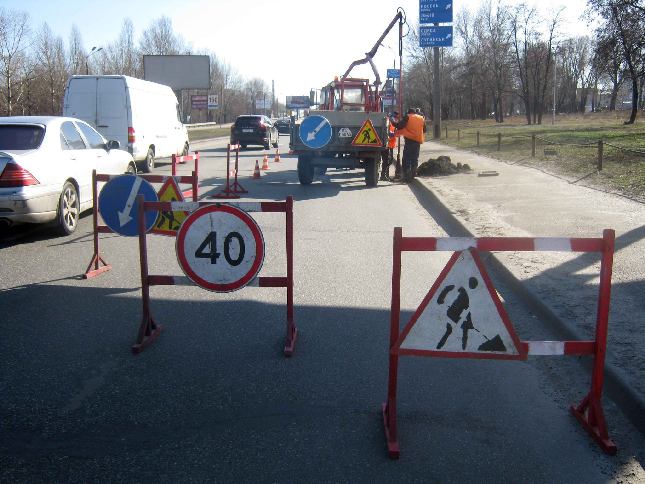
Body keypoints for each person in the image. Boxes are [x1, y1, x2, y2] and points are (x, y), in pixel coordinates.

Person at [394, 108, 426, 182]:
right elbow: (424, 130)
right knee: (415, 158)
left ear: (409, 112)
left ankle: (407, 175)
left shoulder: (408, 117)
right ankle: (413, 173)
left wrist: (393, 122)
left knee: (406, 158)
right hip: (417, 141)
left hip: (409, 140)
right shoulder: (421, 118)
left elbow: (400, 126)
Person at [381, 111, 399, 181]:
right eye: (395, 117)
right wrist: (395, 133)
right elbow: (388, 133)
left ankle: (385, 175)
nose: (395, 119)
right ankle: (383, 175)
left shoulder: (392, 123)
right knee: (387, 161)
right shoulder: (389, 122)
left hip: (390, 145)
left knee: (388, 161)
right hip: (387, 145)